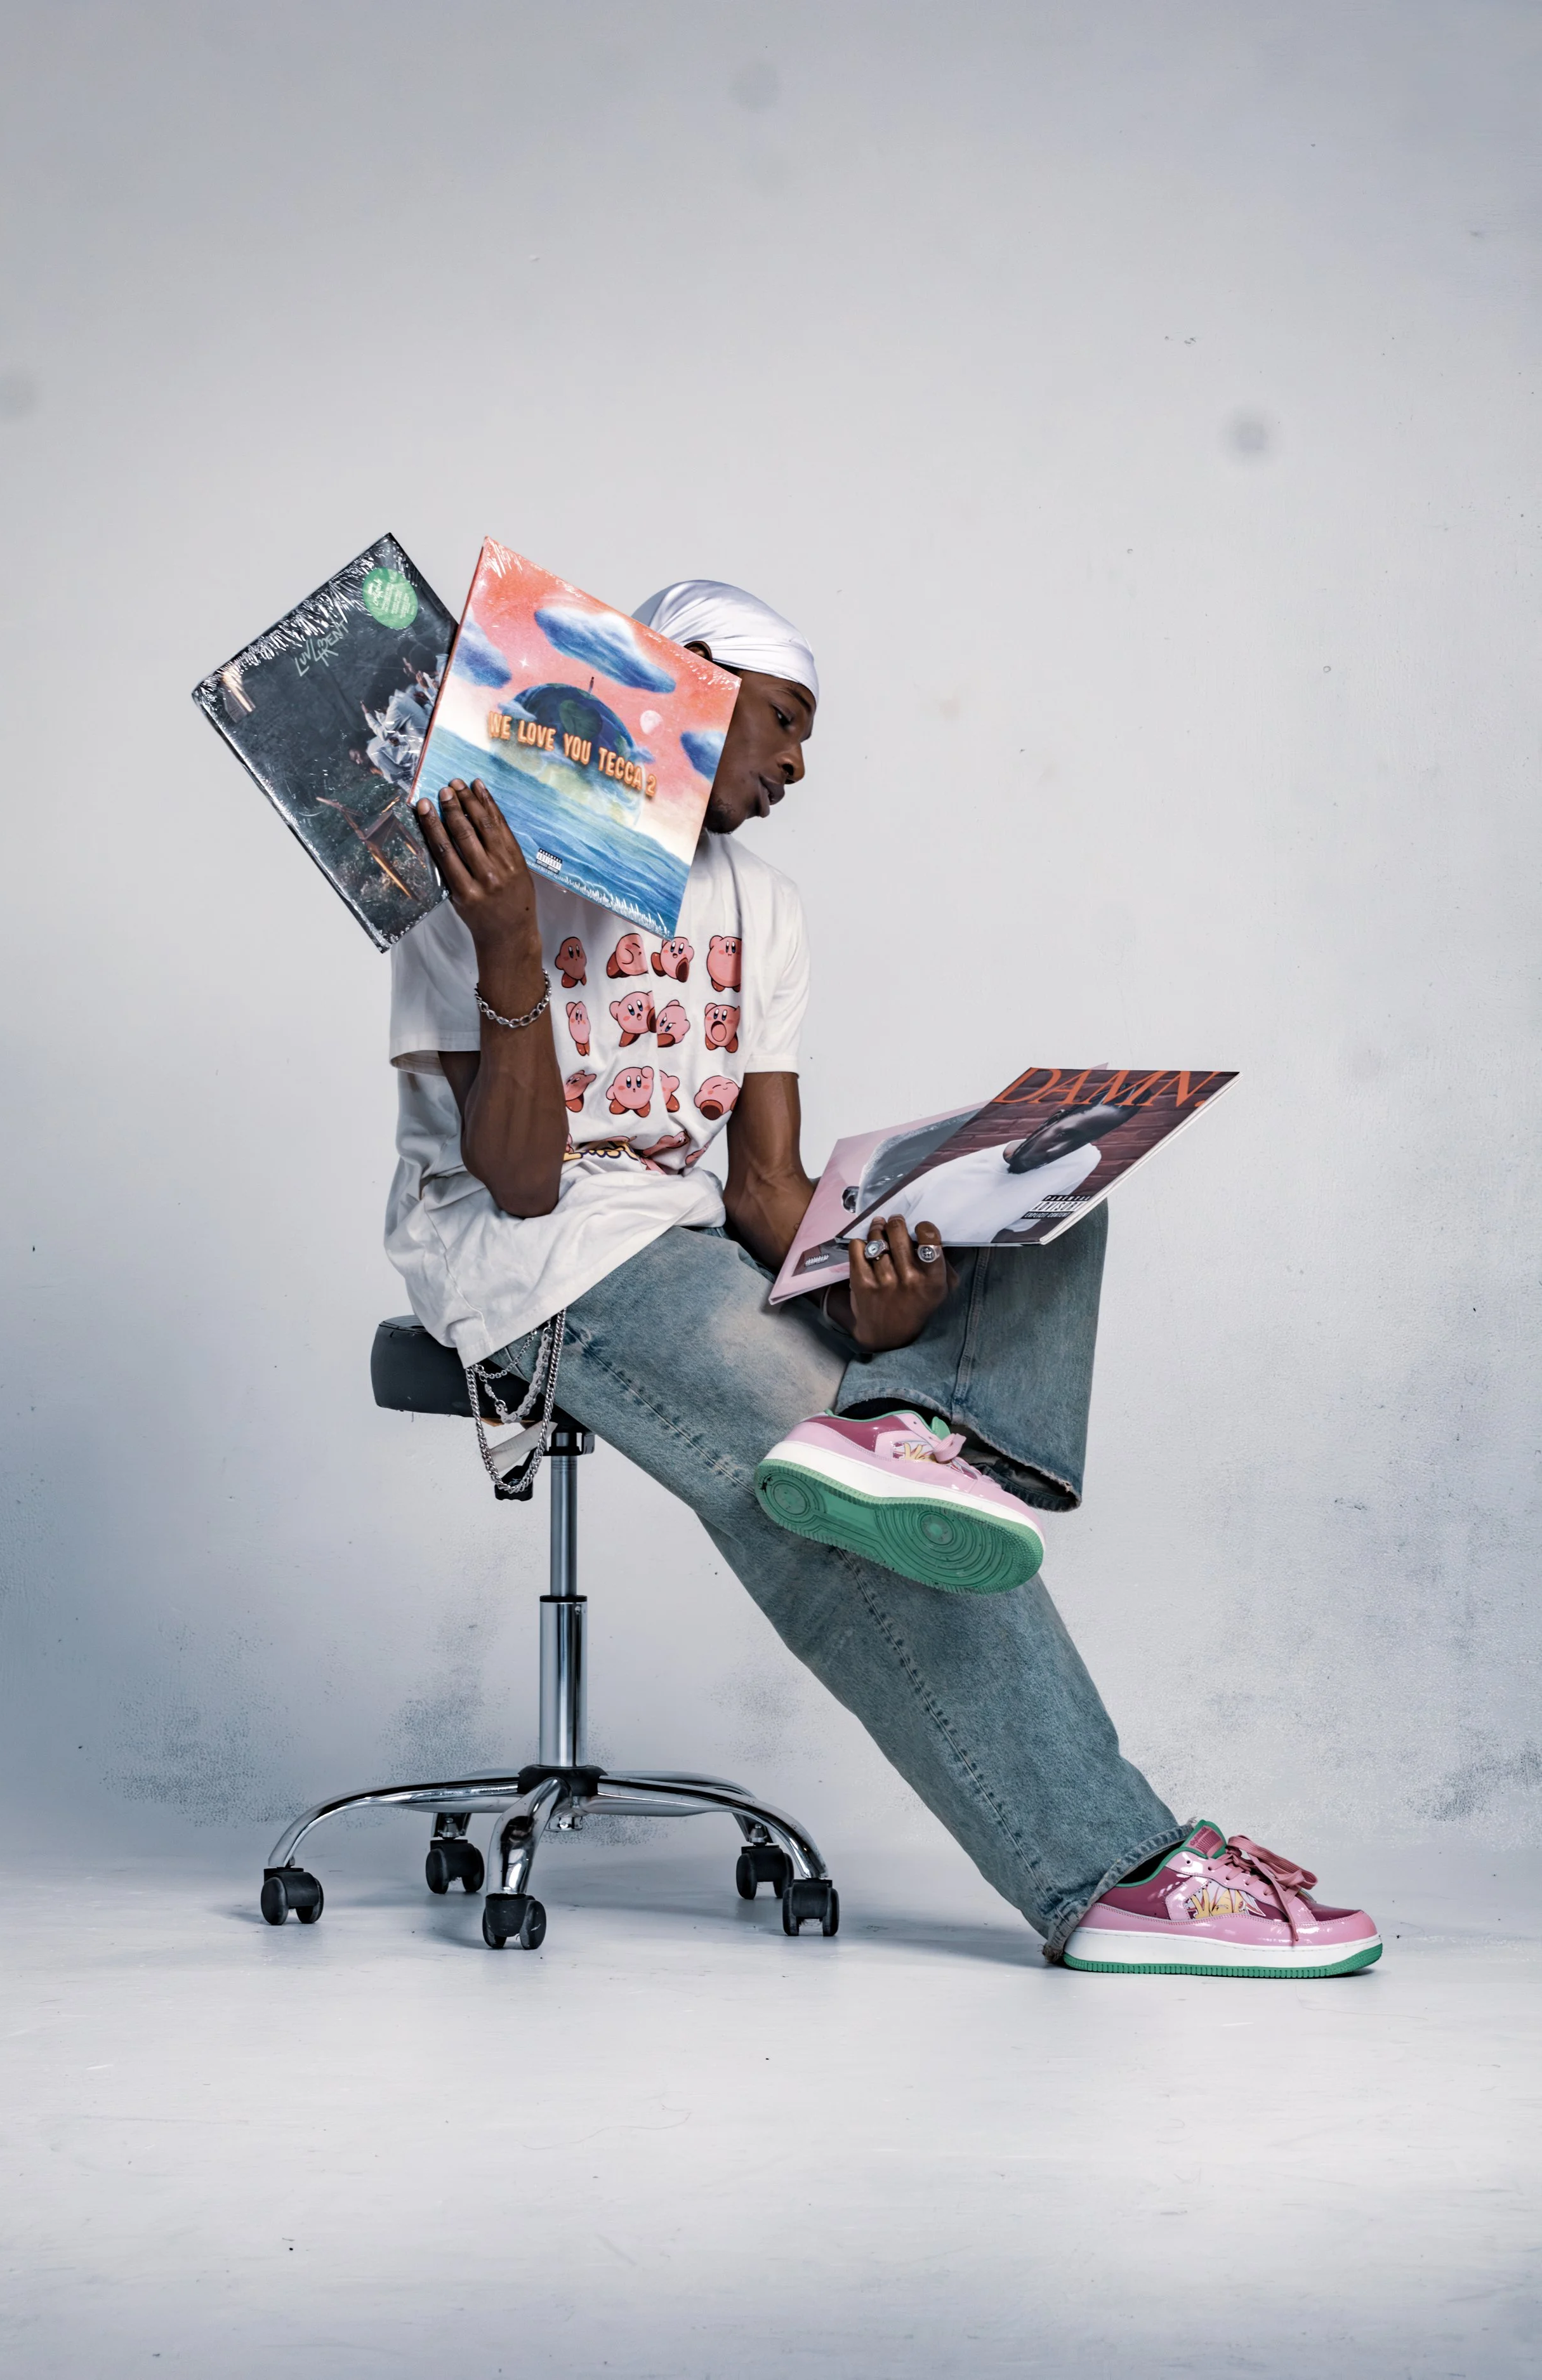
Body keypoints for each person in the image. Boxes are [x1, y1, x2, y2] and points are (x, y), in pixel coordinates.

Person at [385, 578, 1380, 1980]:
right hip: (543, 1263)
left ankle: (904, 1426)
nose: (797, 765)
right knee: (839, 1502)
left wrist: (877, 1307)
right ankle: (1105, 1868)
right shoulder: (481, 874)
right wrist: (503, 950)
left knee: (1048, 1214)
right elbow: (521, 1182)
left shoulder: (763, 908)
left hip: (682, 1234)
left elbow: (764, 1193)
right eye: (782, 725)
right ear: (685, 693)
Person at [843, 1103, 1128, 1248]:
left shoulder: (1083, 1159)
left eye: (1077, 1141)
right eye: (1065, 1135)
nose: (1059, 1150)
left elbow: (1017, 1227)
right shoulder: (930, 1182)